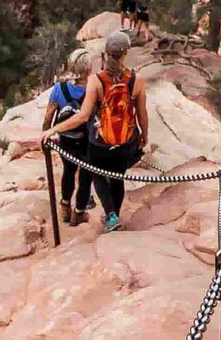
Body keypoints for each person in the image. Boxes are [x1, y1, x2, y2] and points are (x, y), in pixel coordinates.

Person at [47, 28, 147, 233]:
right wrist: (144, 136)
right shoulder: (136, 80)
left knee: (97, 173)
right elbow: (142, 114)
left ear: (106, 53)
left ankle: (110, 216)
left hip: (100, 141)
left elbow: (83, 116)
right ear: (126, 53)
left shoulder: (96, 80)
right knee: (117, 177)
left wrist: (53, 129)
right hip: (126, 141)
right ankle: (114, 216)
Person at [41, 48, 96, 226]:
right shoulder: (94, 90)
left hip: (66, 139)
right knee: (86, 176)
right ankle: (79, 212)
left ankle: (65, 207)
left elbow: (48, 116)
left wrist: (46, 134)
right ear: (88, 70)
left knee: (69, 171)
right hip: (87, 140)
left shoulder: (59, 89)